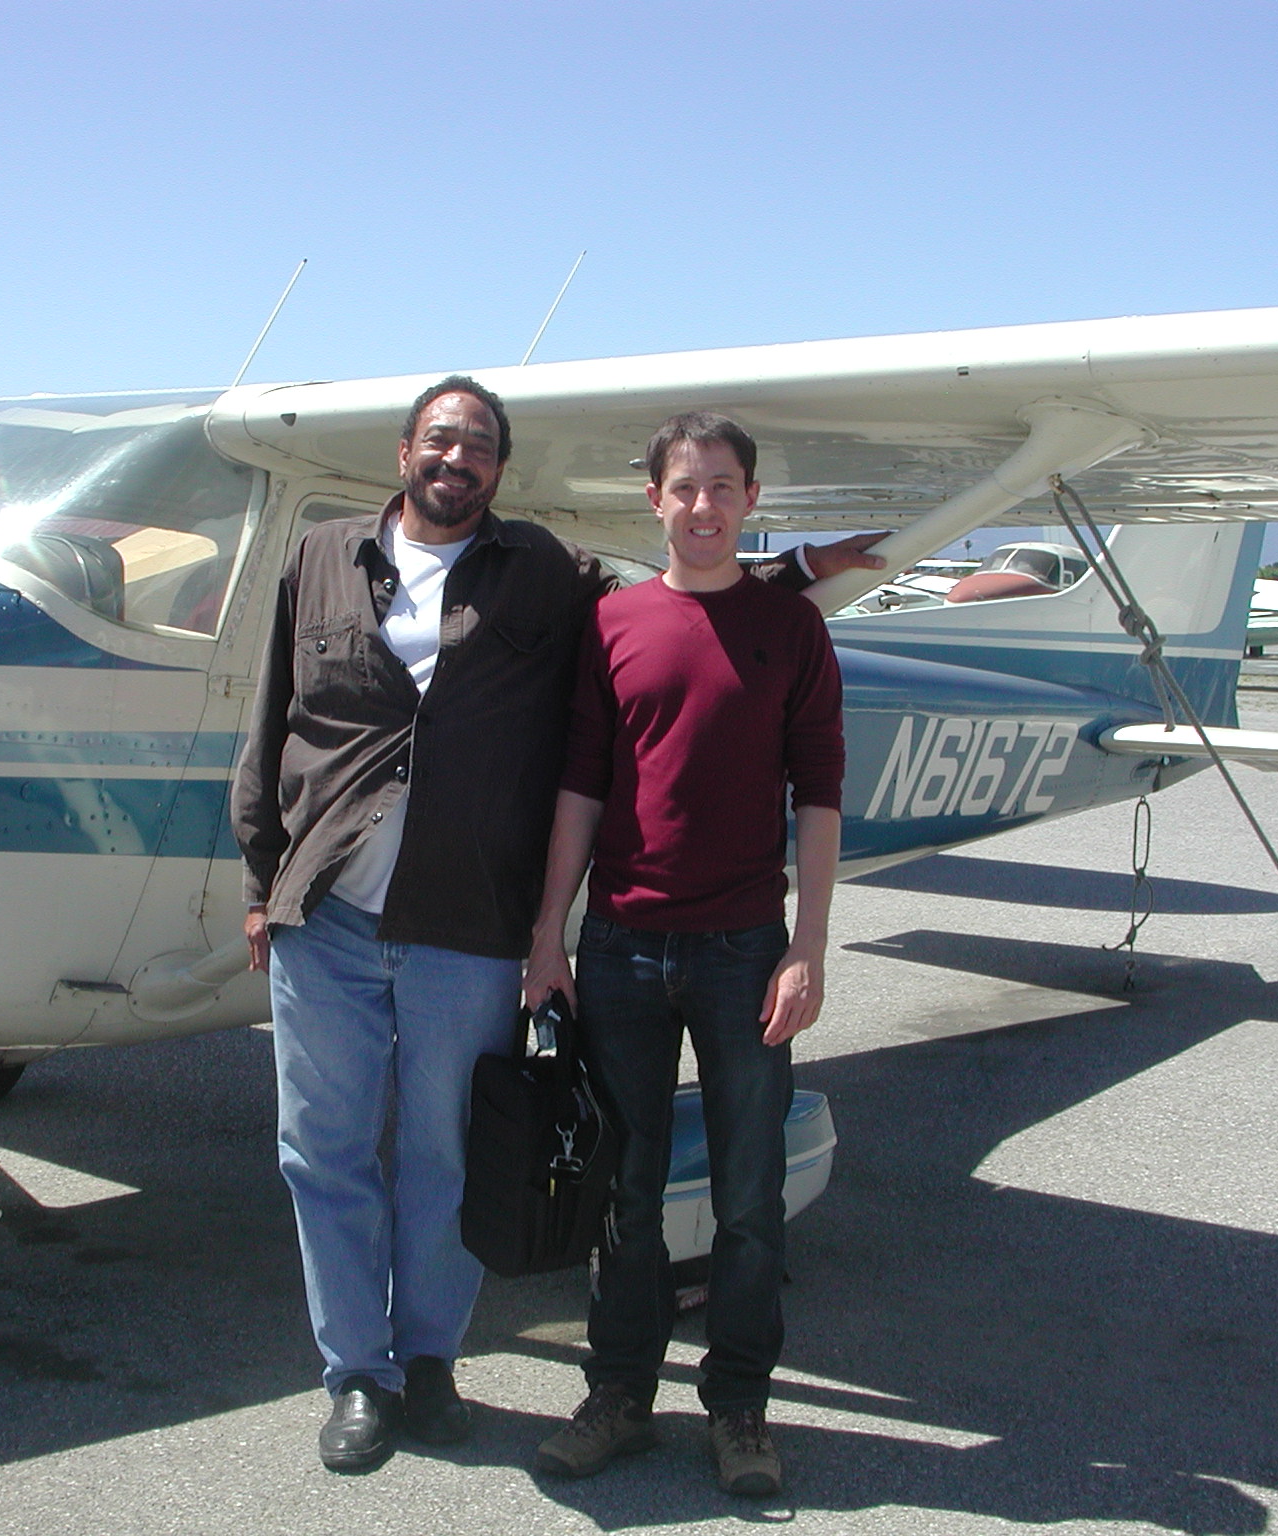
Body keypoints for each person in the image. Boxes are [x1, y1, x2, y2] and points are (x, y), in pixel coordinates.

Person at [232, 378, 878, 1473]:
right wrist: (264, 881)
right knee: (325, 1154)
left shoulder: (541, 571)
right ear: (404, 453)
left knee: (450, 1153)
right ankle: (358, 1374)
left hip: (472, 919)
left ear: (497, 468)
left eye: (478, 445)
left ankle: (433, 1360)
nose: (457, 458)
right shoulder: (321, 557)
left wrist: (801, 570)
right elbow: (270, 715)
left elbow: (695, 592)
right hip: (336, 913)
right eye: (440, 439)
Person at [523, 410, 845, 1499]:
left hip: (743, 949)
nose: (701, 506)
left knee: (748, 1199)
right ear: (652, 500)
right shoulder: (613, 622)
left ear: (750, 500)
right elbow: (580, 787)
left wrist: (805, 949)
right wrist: (546, 940)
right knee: (624, 1187)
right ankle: (617, 1392)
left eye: (721, 486)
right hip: (617, 945)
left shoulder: (790, 629)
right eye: (682, 487)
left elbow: (819, 799)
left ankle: (740, 1406)